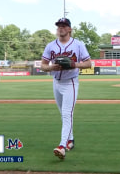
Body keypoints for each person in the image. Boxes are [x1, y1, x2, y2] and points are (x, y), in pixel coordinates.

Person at [41, 17, 91, 160]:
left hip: (71, 83)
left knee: (66, 114)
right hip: (56, 82)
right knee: (64, 114)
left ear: (69, 29)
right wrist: (51, 67)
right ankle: (71, 140)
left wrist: (74, 65)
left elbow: (88, 64)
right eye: (59, 26)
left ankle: (62, 146)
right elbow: (43, 65)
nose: (61, 28)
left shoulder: (78, 44)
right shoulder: (51, 45)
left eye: (64, 26)